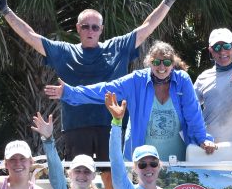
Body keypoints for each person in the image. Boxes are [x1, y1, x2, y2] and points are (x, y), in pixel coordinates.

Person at [0, 0, 188, 189]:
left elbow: (147, 27)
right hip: (76, 125)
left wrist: (168, 0)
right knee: (78, 177)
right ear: (78, 29)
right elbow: (31, 36)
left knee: (113, 176)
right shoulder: (64, 52)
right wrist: (6, 11)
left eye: (94, 27)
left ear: (101, 29)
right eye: (85, 26)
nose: (90, 31)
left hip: (112, 125)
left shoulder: (117, 47)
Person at [46, 42, 216, 161]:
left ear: (173, 63)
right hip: (141, 159)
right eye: (156, 62)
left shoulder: (183, 80)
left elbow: (193, 114)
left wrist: (202, 139)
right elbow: (104, 90)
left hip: (176, 158)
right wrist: (69, 92)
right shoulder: (136, 80)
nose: (161, 67)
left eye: (166, 62)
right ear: (149, 62)